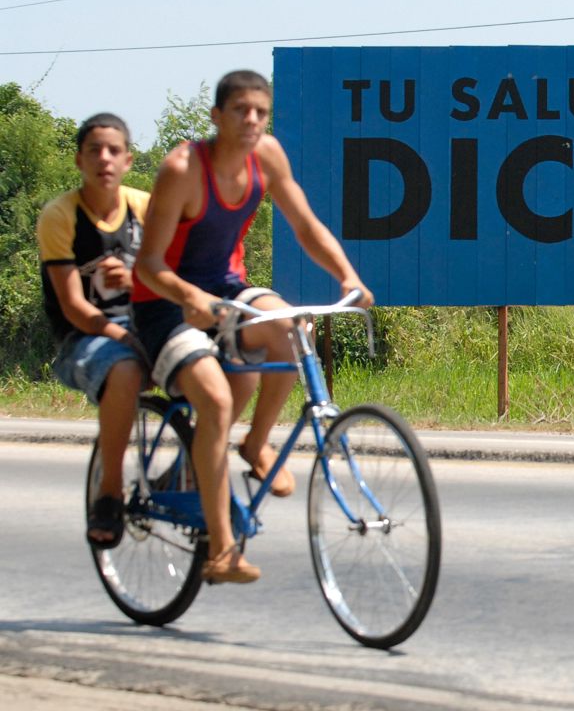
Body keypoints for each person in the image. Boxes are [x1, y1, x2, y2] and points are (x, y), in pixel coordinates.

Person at [133, 70, 373, 585]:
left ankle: (255, 443)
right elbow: (148, 264)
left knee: (292, 327)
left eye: (261, 113)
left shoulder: (267, 156)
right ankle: (221, 552)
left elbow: (306, 224)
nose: (251, 121)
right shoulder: (183, 169)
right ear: (217, 116)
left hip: (225, 289)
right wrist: (190, 298)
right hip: (164, 303)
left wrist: (347, 275)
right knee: (216, 403)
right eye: (240, 110)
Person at [37, 113, 149, 549]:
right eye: (94, 150)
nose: (104, 158)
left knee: (217, 357)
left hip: (144, 324)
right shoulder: (61, 215)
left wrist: (136, 279)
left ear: (128, 161)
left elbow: (174, 275)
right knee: (126, 369)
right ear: (79, 161)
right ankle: (110, 493)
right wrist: (125, 339)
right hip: (84, 339)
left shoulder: (145, 207)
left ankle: (191, 469)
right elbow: (74, 307)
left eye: (114, 150)